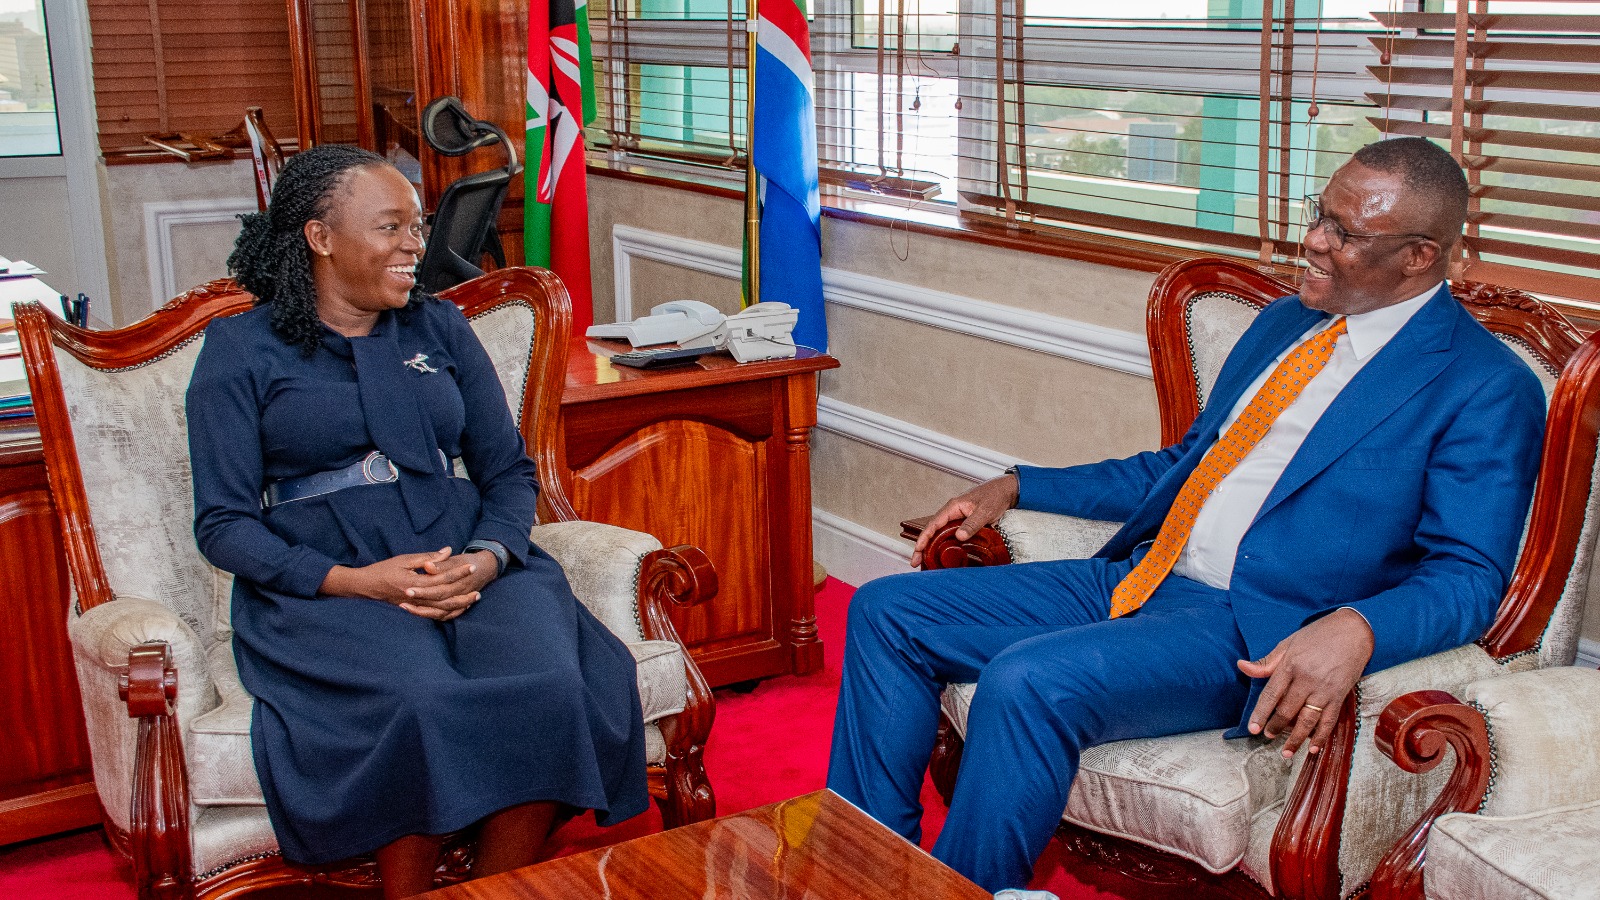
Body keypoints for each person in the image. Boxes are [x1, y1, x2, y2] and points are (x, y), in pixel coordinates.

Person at [826, 137, 1547, 895]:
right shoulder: (1285, 325)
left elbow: (1468, 577)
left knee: (1026, 681)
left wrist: (1358, 627)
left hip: (1248, 623)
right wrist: (1018, 485)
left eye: (1344, 232)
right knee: (886, 610)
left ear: (1418, 256)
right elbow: (1185, 466)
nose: (1312, 241)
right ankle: (866, 869)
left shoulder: (1482, 384)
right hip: (1146, 573)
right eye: (1319, 214)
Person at [187, 145, 648, 899]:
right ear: (320, 237)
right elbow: (225, 524)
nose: (417, 246)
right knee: (420, 700)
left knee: (555, 681)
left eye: (419, 225)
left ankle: (489, 888)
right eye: (392, 227)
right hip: (328, 578)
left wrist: (491, 557)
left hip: (464, 551)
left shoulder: (439, 330)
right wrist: (354, 583)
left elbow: (507, 473)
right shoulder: (239, 350)